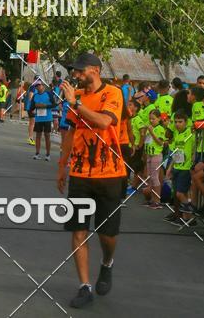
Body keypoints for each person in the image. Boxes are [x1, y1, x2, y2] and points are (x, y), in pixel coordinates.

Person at [58, 52, 126, 310]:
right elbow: (71, 131)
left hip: (109, 174)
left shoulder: (113, 94)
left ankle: (107, 263)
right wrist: (61, 166)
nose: (75, 75)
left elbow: (103, 122)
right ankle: (84, 287)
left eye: (79, 70)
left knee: (107, 234)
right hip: (80, 174)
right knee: (78, 230)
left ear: (95, 70)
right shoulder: (76, 98)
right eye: (74, 71)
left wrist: (76, 104)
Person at [165, 110, 195, 225]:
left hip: (185, 169)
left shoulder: (190, 133)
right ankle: (188, 218)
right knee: (180, 193)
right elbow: (176, 153)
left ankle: (191, 208)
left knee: (180, 193)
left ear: (186, 122)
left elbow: (195, 147)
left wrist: (193, 159)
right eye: (176, 122)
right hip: (177, 167)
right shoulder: (176, 134)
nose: (177, 124)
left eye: (180, 122)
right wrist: (169, 168)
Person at [142, 109, 166, 209]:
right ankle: (152, 199)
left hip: (156, 155)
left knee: (155, 177)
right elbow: (147, 141)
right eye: (150, 119)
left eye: (153, 119)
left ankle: (157, 201)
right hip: (149, 154)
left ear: (159, 118)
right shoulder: (150, 128)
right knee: (150, 177)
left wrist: (151, 132)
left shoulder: (160, 129)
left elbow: (160, 143)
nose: (151, 121)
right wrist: (144, 133)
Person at [29, 78, 54, 160]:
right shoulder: (35, 96)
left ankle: (48, 154)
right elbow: (31, 107)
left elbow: (54, 105)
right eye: (36, 86)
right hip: (38, 119)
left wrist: (45, 106)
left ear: (42, 85)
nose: (38, 87)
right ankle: (37, 153)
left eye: (39, 85)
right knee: (38, 136)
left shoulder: (48, 94)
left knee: (47, 136)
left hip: (47, 118)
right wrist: (33, 110)